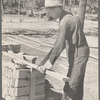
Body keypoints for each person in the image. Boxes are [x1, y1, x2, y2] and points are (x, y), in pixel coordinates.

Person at [39, 0, 90, 100]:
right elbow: (59, 44)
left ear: (57, 9)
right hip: (77, 52)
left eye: (49, 11)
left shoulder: (65, 22)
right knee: (77, 86)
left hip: (78, 54)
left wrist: (48, 63)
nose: (47, 14)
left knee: (70, 86)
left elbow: (59, 45)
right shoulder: (67, 16)